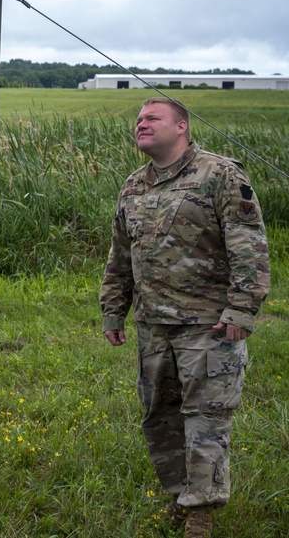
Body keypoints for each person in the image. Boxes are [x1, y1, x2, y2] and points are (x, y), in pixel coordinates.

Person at [100, 97, 269, 538]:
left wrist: (242, 308)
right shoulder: (134, 185)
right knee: (159, 416)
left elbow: (248, 246)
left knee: (206, 417)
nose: (141, 124)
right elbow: (121, 255)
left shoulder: (220, 175)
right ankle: (178, 494)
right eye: (138, 119)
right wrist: (114, 309)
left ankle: (202, 513)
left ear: (182, 127)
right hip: (153, 324)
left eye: (152, 118)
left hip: (209, 325)